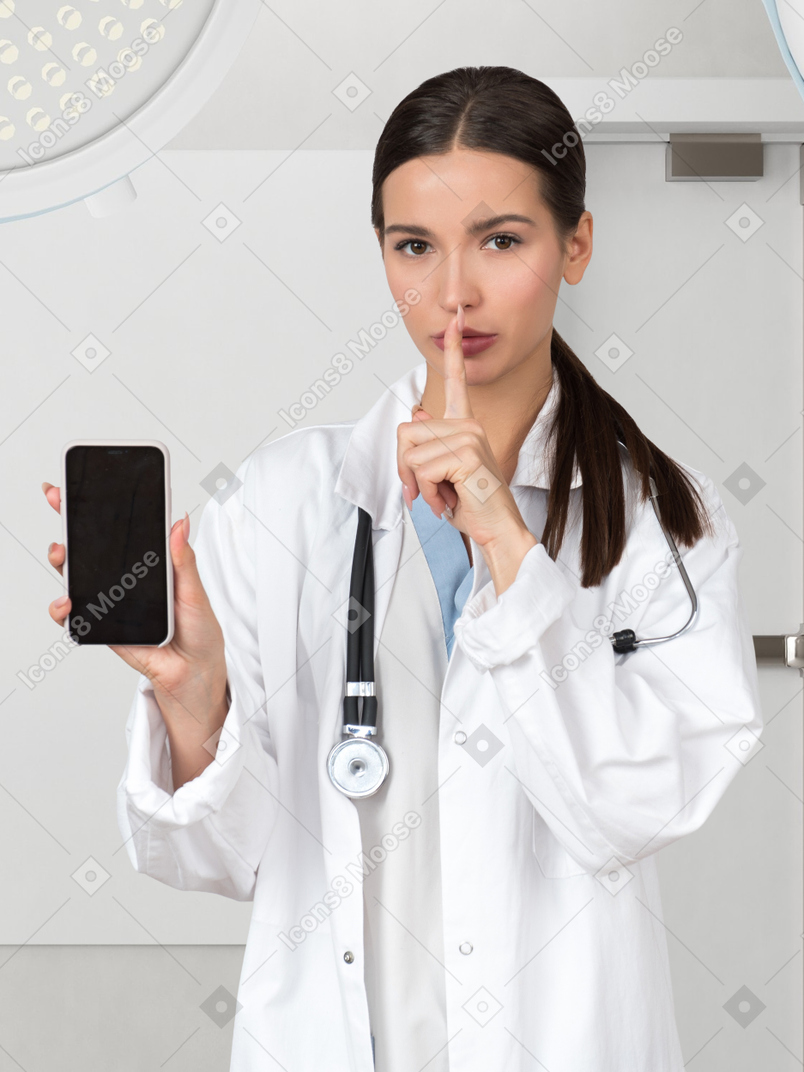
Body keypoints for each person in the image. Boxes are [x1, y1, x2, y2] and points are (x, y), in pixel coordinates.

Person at [42, 66, 763, 1072]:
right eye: (414, 246)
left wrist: (505, 543)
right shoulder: (285, 500)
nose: (452, 292)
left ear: (577, 245)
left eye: (501, 241)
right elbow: (218, 857)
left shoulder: (661, 520)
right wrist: (193, 702)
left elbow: (632, 812)